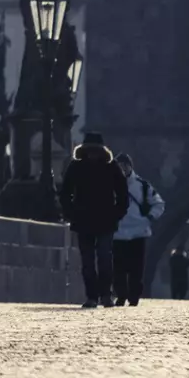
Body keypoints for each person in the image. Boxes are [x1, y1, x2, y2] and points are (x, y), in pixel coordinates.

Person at [59, 130, 130, 309]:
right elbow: (65, 193)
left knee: (104, 258)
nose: (92, 154)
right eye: (89, 150)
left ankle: (105, 295)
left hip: (105, 220)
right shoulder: (76, 166)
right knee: (88, 261)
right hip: (84, 220)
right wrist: (71, 213)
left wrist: (116, 214)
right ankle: (92, 296)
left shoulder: (111, 167)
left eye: (95, 150)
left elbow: (123, 194)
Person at [109, 152, 165, 306]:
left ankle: (134, 296)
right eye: (119, 166)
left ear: (130, 167)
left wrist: (150, 217)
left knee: (136, 268)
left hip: (139, 232)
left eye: (124, 166)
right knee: (118, 268)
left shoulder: (143, 185)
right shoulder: (109, 185)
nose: (122, 169)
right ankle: (121, 295)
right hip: (118, 232)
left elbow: (159, 203)